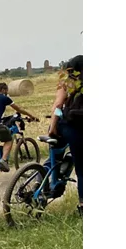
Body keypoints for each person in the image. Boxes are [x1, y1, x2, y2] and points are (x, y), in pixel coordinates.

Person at [48, 55, 83, 216]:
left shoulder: (66, 82)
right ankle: (83, 205)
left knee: (56, 151)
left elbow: (58, 105)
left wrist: (52, 126)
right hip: (79, 125)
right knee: (82, 168)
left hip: (66, 125)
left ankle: (39, 182)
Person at [0, 83, 37, 172]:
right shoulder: (4, 98)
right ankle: (3, 160)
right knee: (9, 139)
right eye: (6, 90)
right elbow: (19, 109)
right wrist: (31, 116)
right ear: (3, 90)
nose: (7, 92)